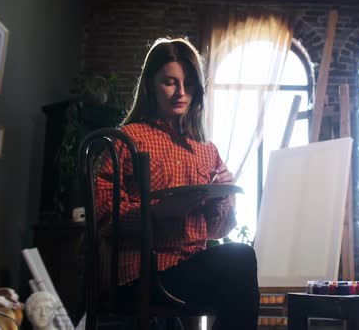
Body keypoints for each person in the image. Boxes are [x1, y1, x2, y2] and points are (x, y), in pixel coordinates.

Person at [94, 37, 259, 330]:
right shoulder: (126, 140)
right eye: (170, 82)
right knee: (240, 262)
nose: (181, 93)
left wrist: (221, 194)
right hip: (143, 274)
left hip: (191, 270)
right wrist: (159, 211)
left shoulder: (207, 149)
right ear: (150, 85)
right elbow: (104, 216)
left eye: (189, 84)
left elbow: (220, 230)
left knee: (240, 257)